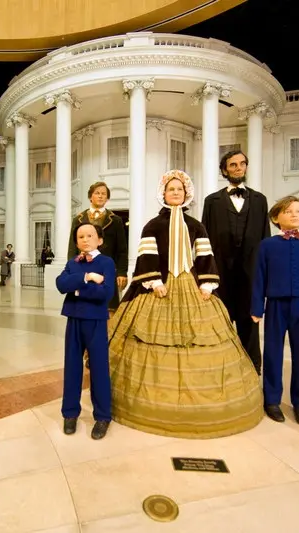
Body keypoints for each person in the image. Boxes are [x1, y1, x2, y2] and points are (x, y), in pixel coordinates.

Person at [109, 170, 263, 439]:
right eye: (171, 189)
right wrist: (155, 281)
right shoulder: (152, 225)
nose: (176, 193)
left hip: (189, 283)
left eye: (180, 189)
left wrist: (206, 283)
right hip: (161, 283)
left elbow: (204, 253)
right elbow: (147, 255)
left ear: (187, 193)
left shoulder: (196, 225)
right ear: (163, 193)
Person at [202, 150, 270, 375]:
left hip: (251, 275)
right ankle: (219, 374)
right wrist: (204, 275)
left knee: (250, 325)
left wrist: (265, 275)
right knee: (219, 325)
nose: (238, 168)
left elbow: (265, 239)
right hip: (220, 275)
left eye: (242, 164)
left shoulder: (260, 200)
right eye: (233, 165)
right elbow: (204, 242)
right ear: (224, 170)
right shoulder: (211, 201)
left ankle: (252, 374)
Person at [56, 223, 116, 439]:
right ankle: (69, 413)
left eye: (90, 235)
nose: (85, 239)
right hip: (74, 319)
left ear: (99, 239)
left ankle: (102, 416)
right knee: (72, 367)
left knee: (99, 368)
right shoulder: (74, 262)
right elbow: (61, 284)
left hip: (96, 321)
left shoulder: (106, 262)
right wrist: (87, 278)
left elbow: (106, 293)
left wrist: (77, 290)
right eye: (81, 236)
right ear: (76, 241)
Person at [251, 196, 299, 424]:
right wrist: (257, 307)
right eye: (289, 211)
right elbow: (259, 278)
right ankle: (271, 399)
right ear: (276, 217)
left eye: (298, 211)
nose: (294, 214)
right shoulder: (267, 245)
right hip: (276, 306)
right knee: (273, 353)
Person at [67, 181, 128, 311]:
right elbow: (72, 246)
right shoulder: (78, 219)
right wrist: (71, 269)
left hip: (107, 269)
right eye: (97, 193)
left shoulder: (115, 220)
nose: (100, 196)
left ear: (107, 198)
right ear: (90, 197)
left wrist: (122, 272)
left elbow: (122, 249)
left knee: (108, 309)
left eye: (104, 194)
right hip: (83, 267)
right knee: (83, 306)